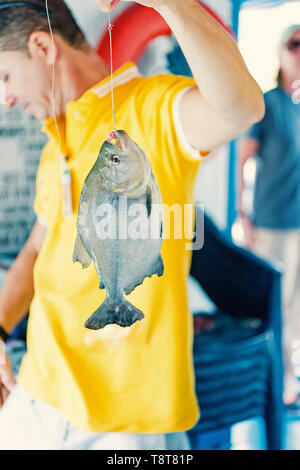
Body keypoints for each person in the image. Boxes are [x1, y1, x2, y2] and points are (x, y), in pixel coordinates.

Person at [0, 0, 264, 450]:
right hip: (38, 395)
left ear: (42, 46)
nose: (5, 100)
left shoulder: (153, 108)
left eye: (4, 77)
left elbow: (240, 110)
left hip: (124, 422)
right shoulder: (55, 140)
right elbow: (34, 250)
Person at [238, 25, 300, 406]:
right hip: (270, 223)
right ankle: (268, 384)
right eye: (295, 44)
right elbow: (242, 162)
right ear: (280, 53)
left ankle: (286, 381)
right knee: (272, 306)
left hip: (298, 224)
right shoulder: (267, 103)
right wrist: (241, 215)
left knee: (295, 307)